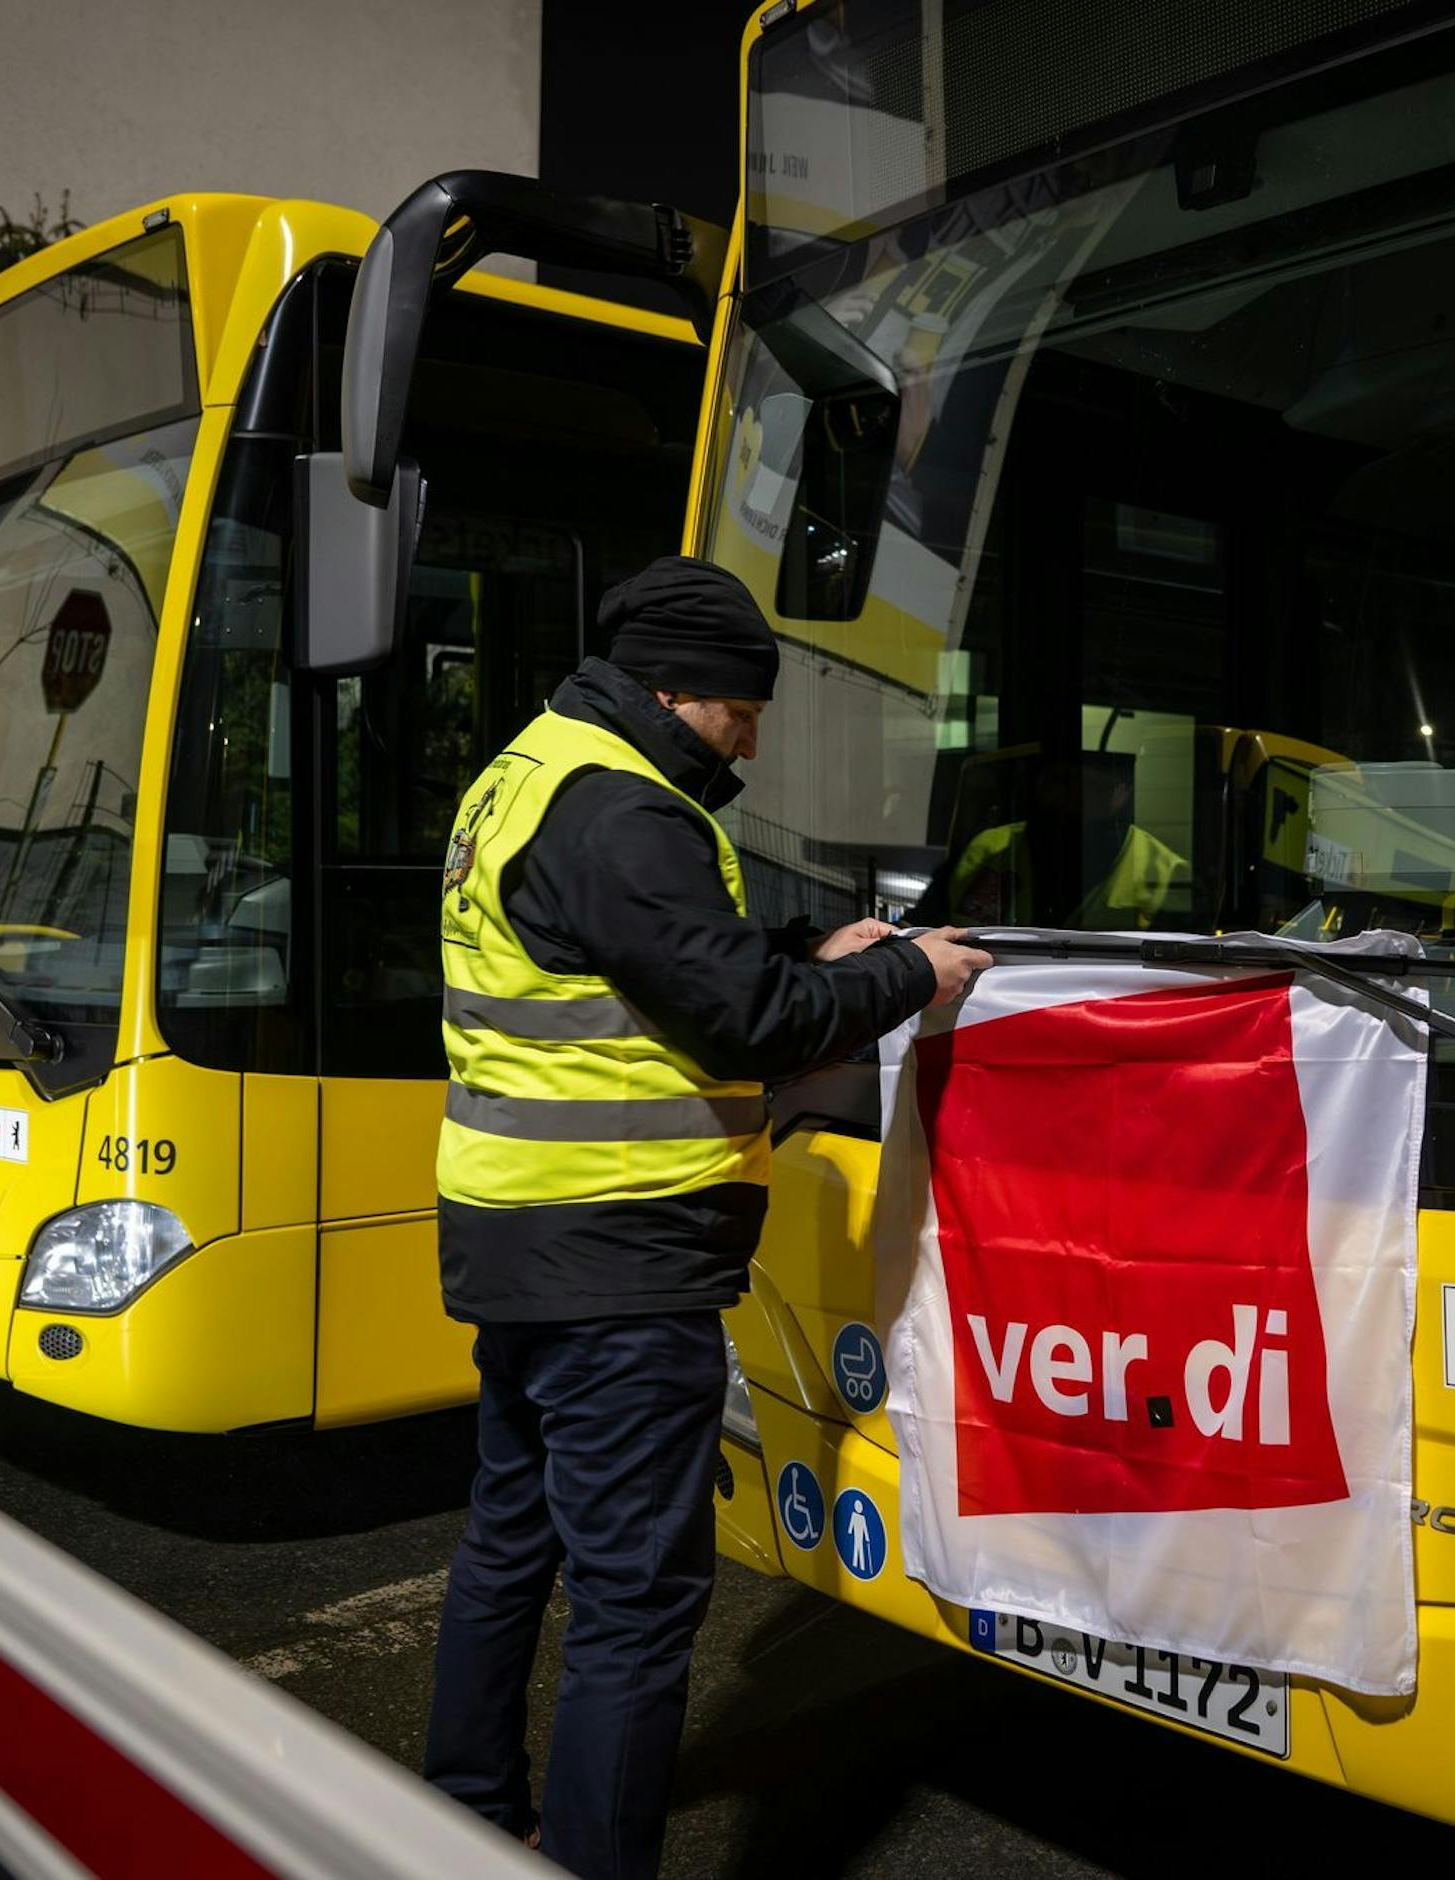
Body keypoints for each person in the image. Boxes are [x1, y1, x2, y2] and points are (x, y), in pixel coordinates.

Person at [423, 555, 989, 1879]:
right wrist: (913, 970)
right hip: (619, 1259)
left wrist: (809, 951)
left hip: (522, 1235)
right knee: (636, 1604)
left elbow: (653, 973)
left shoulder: (528, 774)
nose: (754, 732)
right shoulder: (622, 809)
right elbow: (746, 1020)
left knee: (512, 1537)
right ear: (681, 691)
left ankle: (459, 1810)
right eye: (745, 709)